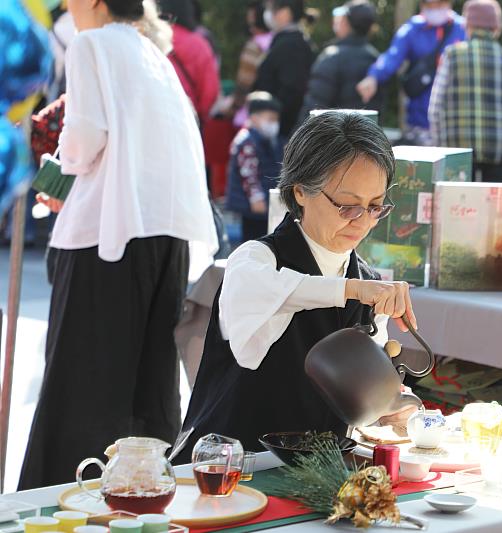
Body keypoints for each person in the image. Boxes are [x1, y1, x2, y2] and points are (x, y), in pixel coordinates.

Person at [19, 0, 218, 490]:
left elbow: (85, 138)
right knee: (150, 387)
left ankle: (65, 496)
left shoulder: (92, 44)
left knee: (83, 383)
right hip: (163, 235)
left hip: (106, 237)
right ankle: (147, 491)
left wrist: (59, 172)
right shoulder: (154, 55)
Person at [174, 112, 419, 463]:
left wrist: (390, 407)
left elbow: (360, 403)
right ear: (301, 190)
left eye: (375, 206)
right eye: (347, 206)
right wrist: (352, 290)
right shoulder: (256, 260)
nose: (363, 221)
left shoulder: (366, 283)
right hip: (228, 471)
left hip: (319, 477)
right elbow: (285, 290)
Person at [428, 0, 502, 181]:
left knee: (459, 207)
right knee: (496, 209)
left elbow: (436, 106)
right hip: (500, 151)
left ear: (467, 24)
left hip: (458, 151)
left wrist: (438, 145)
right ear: (497, 27)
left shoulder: (452, 54)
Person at [356, 0, 465, 145]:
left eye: (439, 4)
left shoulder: (462, 28)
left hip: (455, 122)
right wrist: (373, 76)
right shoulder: (412, 29)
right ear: (422, 6)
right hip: (420, 122)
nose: (434, 9)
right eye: (429, 5)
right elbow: (392, 56)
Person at [300, 0, 383, 118]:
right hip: (366, 134)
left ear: (345, 22)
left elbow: (314, 107)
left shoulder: (331, 57)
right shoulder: (376, 59)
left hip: (334, 134)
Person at [226, 92, 285, 243]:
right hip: (255, 207)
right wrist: (256, 198)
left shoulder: (268, 140)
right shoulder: (247, 142)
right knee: (254, 243)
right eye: (269, 119)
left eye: (276, 119)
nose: (273, 123)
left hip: (264, 206)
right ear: (254, 117)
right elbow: (248, 173)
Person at [252, 0, 316, 137]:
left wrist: (271, 119)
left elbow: (292, 92)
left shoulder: (291, 46)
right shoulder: (290, 41)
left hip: (285, 132)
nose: (267, 13)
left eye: (271, 8)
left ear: (285, 12)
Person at [157, 0, 220, 126]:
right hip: (189, 119)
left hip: (156, 118)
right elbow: (210, 91)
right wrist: (199, 114)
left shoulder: (148, 40)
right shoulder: (198, 44)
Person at [227, 1, 273, 128]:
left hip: (251, 117)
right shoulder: (278, 41)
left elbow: (244, 82)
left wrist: (233, 107)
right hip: (273, 115)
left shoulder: (254, 46)